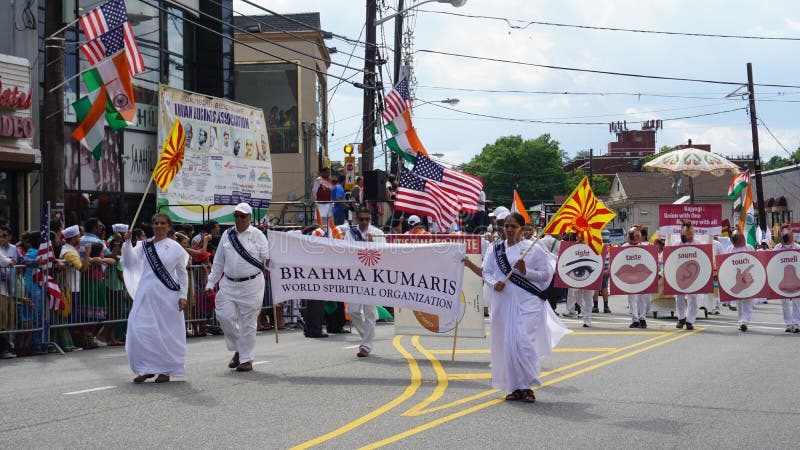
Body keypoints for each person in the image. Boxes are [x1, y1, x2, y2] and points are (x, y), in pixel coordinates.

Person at [481, 213, 570, 403]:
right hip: (503, 301)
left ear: (522, 228)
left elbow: (545, 276)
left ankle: (528, 385)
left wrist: (525, 272)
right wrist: (493, 283)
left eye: (513, 226)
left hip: (528, 301)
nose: (510, 229)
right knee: (508, 345)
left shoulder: (534, 250)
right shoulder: (494, 248)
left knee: (522, 342)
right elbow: (486, 271)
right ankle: (515, 387)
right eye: (507, 226)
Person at [122, 214, 189, 383]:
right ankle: (146, 367)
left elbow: (182, 273)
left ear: (168, 227)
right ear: (152, 226)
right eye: (156, 223)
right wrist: (128, 243)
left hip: (167, 295)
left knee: (165, 332)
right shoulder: (145, 245)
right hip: (145, 293)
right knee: (141, 329)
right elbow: (129, 262)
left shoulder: (175, 247)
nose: (159, 226)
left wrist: (183, 296)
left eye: (163, 223)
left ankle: (165, 370)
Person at [204, 203, 268, 372]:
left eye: (243, 216)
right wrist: (211, 283)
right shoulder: (227, 234)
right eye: (237, 216)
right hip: (229, 283)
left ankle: (246, 358)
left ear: (249, 217)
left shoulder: (258, 235)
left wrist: (271, 263)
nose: (239, 219)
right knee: (224, 317)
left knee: (248, 322)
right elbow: (218, 262)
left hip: (252, 283)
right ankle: (239, 349)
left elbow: (267, 259)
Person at [338, 208, 384, 357]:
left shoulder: (377, 233)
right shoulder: (350, 234)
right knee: (352, 310)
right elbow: (347, 252)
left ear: (370, 219)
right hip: (356, 276)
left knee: (369, 312)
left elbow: (383, 254)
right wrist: (365, 246)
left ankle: (366, 346)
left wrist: (372, 246)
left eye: (367, 219)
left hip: (371, 277)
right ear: (357, 219)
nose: (364, 222)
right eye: (362, 219)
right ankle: (367, 334)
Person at [727, 229, 755, 331]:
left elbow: (755, 262)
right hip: (736, 278)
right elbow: (726, 263)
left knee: (747, 300)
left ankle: (745, 322)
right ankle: (740, 321)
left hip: (748, 278)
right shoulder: (730, 249)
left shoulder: (749, 248)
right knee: (738, 301)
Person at [674, 220, 699, 330]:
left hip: (694, 276)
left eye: (690, 232)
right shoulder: (676, 245)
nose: (689, 234)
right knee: (679, 298)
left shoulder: (699, 245)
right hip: (680, 276)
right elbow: (670, 261)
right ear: (682, 232)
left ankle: (690, 321)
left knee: (693, 298)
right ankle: (681, 318)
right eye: (686, 232)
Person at [774, 224, 799, 333]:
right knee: (784, 302)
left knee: (797, 301)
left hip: (796, 279)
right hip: (781, 279)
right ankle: (788, 324)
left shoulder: (798, 248)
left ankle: (796, 323)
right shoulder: (777, 248)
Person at [624, 226, 649, 328]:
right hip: (630, 277)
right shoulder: (624, 247)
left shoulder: (646, 247)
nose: (638, 237)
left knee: (643, 298)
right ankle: (635, 320)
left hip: (643, 277)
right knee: (632, 298)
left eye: (639, 235)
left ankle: (642, 319)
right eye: (636, 235)